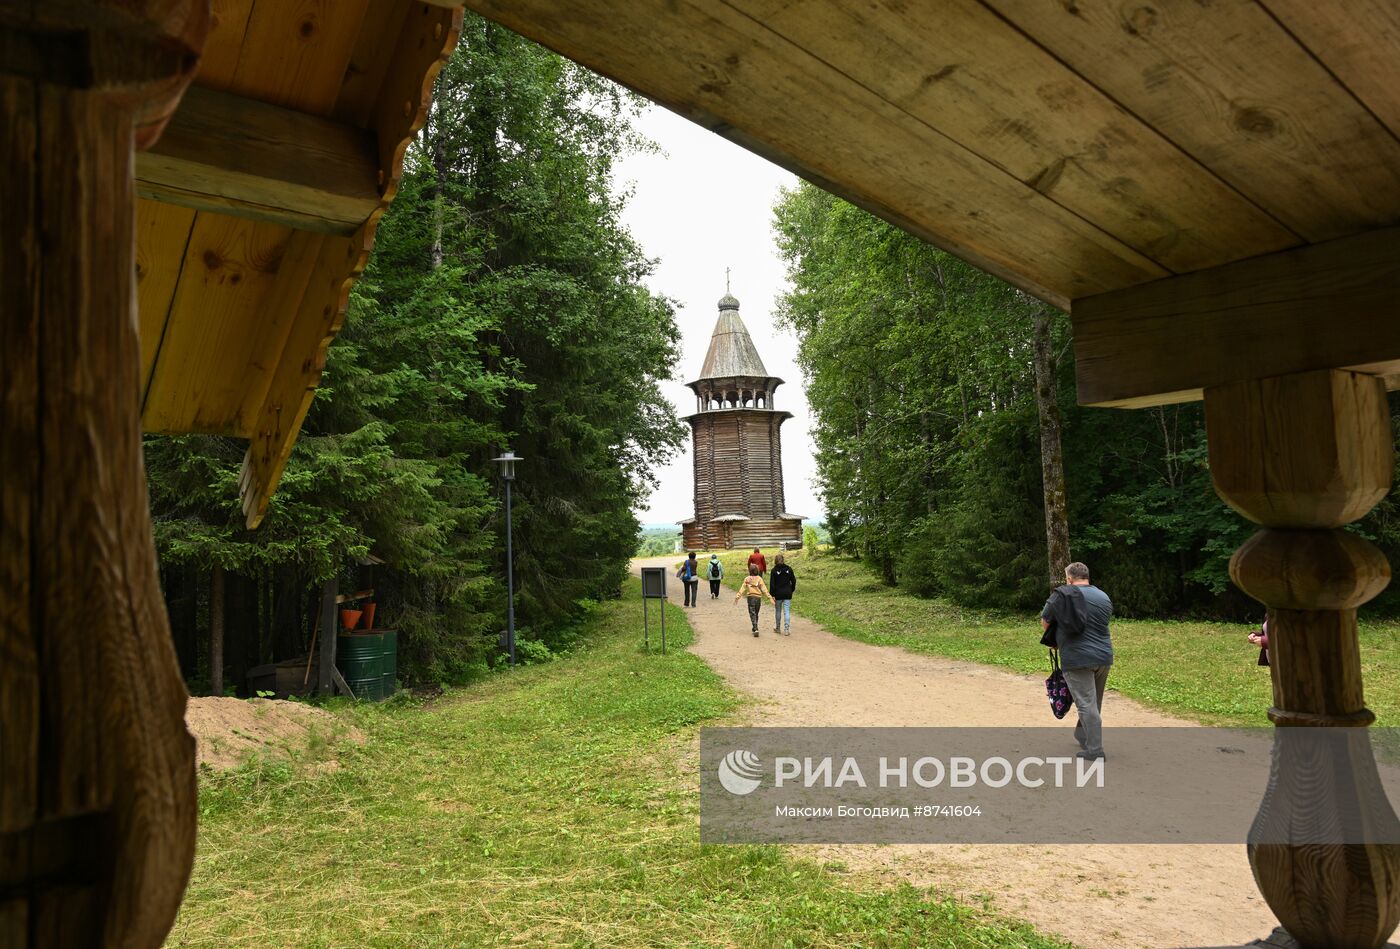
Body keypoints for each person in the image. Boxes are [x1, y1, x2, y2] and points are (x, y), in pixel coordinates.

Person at [1040, 561, 1113, 760]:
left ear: (1069, 578)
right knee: (1093, 703)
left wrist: (1057, 639)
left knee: (1086, 705)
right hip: (1104, 656)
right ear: (1087, 576)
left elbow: (1045, 621)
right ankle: (1082, 736)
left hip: (1077, 657)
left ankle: (1095, 751)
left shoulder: (1061, 595)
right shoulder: (1103, 596)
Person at [734, 564, 774, 637]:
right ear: (757, 571)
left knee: (752, 613)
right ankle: (755, 627)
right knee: (756, 613)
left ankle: (755, 628)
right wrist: (769, 597)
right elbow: (764, 589)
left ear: (750, 571)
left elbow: (742, 588)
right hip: (758, 598)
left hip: (750, 597)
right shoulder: (759, 579)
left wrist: (738, 596)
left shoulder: (747, 579)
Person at [769, 553, 796, 635]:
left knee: (778, 611)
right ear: (783, 560)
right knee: (786, 611)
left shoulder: (774, 571)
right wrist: (792, 589)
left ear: (775, 561)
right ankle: (786, 630)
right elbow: (794, 580)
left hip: (778, 594)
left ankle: (778, 628)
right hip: (787, 593)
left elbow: (772, 584)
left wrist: (772, 595)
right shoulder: (789, 569)